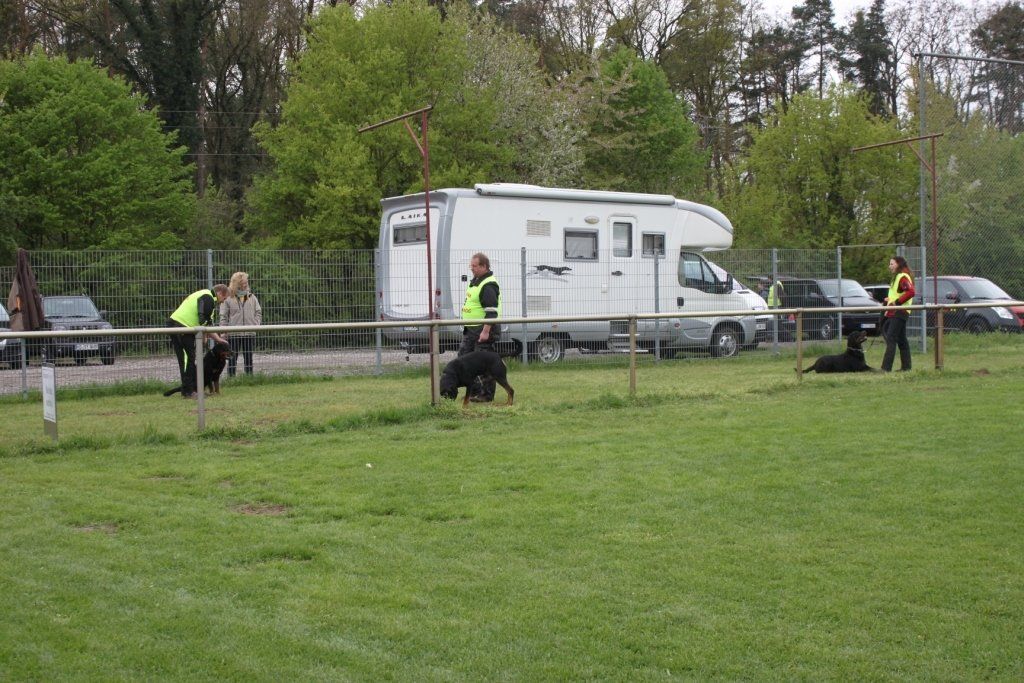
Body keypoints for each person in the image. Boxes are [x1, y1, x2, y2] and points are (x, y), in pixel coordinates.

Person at [168, 285, 230, 398]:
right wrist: (210, 336)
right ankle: (189, 391)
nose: (223, 302)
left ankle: (187, 390)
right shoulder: (208, 297)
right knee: (188, 359)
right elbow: (203, 320)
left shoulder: (208, 298)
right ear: (220, 293)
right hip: (181, 326)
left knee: (187, 359)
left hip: (180, 325)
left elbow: (206, 324)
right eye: (224, 298)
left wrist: (217, 339)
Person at [459, 252, 501, 402]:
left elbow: (491, 311)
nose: (472, 268)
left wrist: (485, 332)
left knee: (484, 364)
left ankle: (486, 395)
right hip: (471, 329)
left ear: (484, 266)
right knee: (463, 360)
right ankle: (474, 391)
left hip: (483, 330)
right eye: (471, 266)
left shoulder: (488, 284)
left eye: (475, 266)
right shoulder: (476, 281)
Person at [220, 271, 263, 376]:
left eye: (246, 282)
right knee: (232, 358)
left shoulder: (252, 297)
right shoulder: (228, 298)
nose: (246, 284)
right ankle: (231, 379)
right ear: (237, 284)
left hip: (249, 333)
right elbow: (223, 316)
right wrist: (223, 332)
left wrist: (255, 325)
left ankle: (249, 379)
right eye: (244, 282)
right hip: (233, 333)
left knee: (249, 358)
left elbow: (258, 312)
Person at [881, 255, 915, 372]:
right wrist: (889, 300)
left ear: (898, 264)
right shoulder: (898, 277)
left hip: (899, 311)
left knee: (891, 338)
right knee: (902, 339)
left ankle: (886, 368)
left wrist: (896, 302)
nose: (889, 266)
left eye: (892, 264)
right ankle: (906, 367)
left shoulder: (902, 277)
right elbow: (898, 294)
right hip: (898, 311)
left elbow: (910, 292)